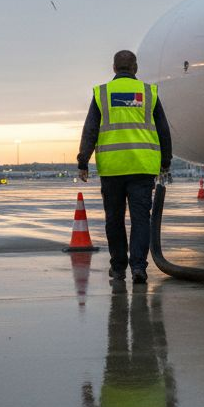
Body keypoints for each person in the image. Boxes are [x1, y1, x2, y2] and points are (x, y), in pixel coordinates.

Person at [78, 50, 172, 284]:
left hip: (113, 169)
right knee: (141, 219)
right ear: (135, 68)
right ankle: (139, 268)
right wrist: (165, 161)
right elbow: (163, 129)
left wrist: (83, 161)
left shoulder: (103, 93)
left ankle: (118, 268)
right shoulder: (148, 93)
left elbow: (90, 129)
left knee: (114, 219)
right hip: (142, 167)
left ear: (113, 67)